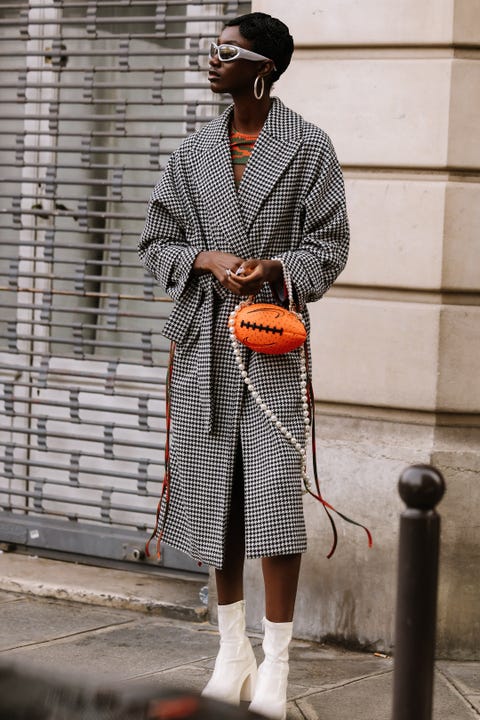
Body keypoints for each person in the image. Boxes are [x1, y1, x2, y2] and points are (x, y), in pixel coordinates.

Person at [138, 12, 350, 720]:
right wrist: (206, 258)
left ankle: (279, 664)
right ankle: (232, 653)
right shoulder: (193, 149)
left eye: (226, 50)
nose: (211, 58)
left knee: (272, 505)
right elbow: (156, 243)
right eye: (211, 47)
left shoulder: (309, 147)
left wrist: (276, 267)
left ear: (263, 67)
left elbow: (330, 245)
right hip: (204, 342)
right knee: (214, 501)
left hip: (272, 347)